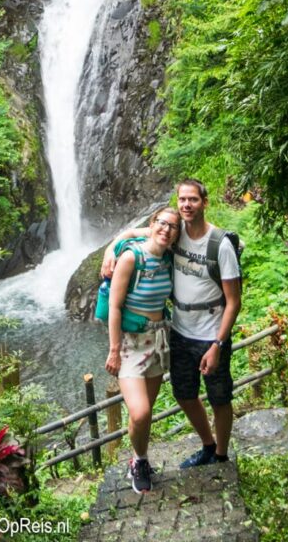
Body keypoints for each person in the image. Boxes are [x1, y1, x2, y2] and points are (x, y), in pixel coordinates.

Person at [102, 178, 242, 468]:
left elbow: (234, 301)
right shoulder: (174, 236)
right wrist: (111, 247)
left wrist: (218, 343)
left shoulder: (220, 244)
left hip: (211, 334)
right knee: (184, 394)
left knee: (219, 397)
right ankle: (207, 445)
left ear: (205, 202)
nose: (187, 204)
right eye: (182, 200)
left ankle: (221, 455)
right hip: (178, 331)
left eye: (193, 199)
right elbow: (141, 232)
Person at [104, 206, 181, 494]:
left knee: (145, 415)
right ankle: (138, 460)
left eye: (173, 226)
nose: (166, 229)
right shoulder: (130, 258)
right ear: (153, 224)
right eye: (161, 223)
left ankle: (140, 459)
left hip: (159, 342)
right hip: (130, 345)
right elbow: (114, 306)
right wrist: (113, 349)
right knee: (139, 411)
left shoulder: (169, 257)